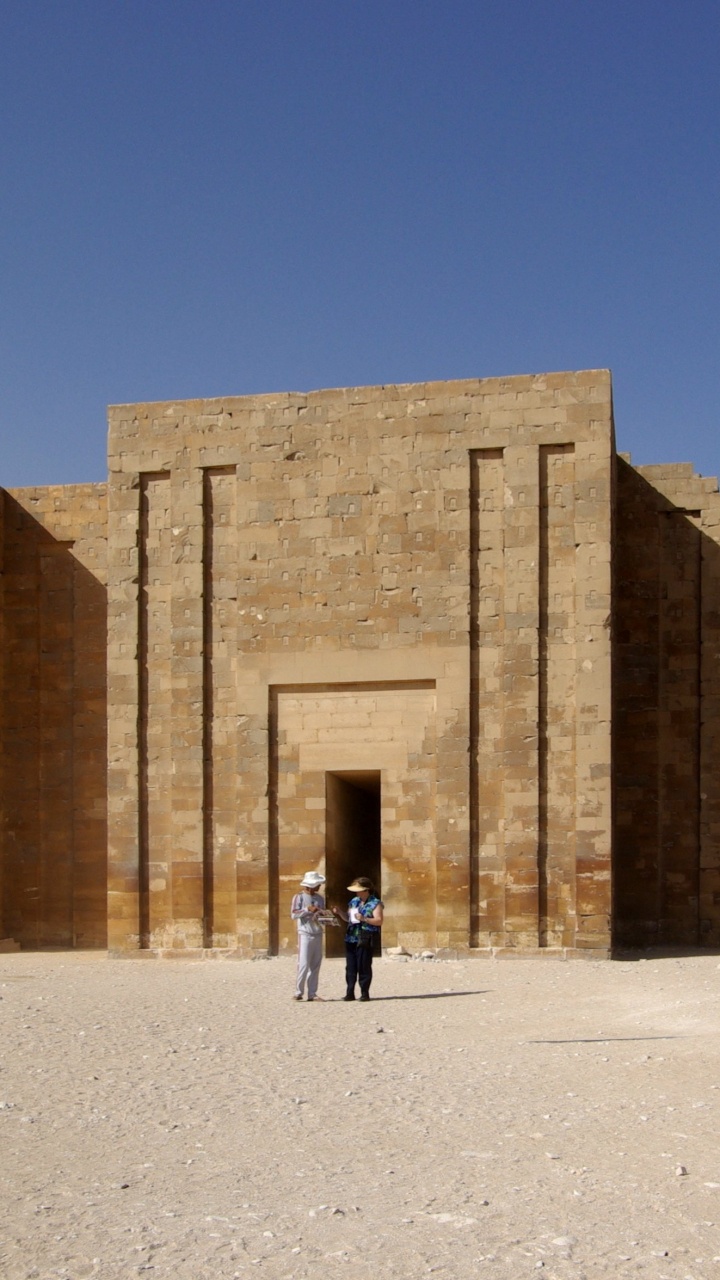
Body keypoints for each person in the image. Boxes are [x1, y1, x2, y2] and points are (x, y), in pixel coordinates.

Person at [332, 876, 384, 1002]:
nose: (356, 892)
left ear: (366, 890)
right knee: (350, 966)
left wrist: (364, 919)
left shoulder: (375, 903)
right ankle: (350, 992)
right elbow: (348, 918)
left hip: (365, 936)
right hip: (351, 937)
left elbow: (379, 921)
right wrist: (339, 913)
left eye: (358, 889)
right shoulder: (354, 901)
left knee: (364, 965)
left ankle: (364, 993)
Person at [290, 871, 327, 1001]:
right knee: (303, 963)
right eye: (317, 885)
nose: (319, 887)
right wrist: (307, 910)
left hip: (318, 932)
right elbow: (293, 914)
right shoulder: (298, 897)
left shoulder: (320, 898)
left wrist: (325, 915)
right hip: (305, 933)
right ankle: (298, 992)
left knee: (316, 964)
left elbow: (322, 913)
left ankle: (312, 993)